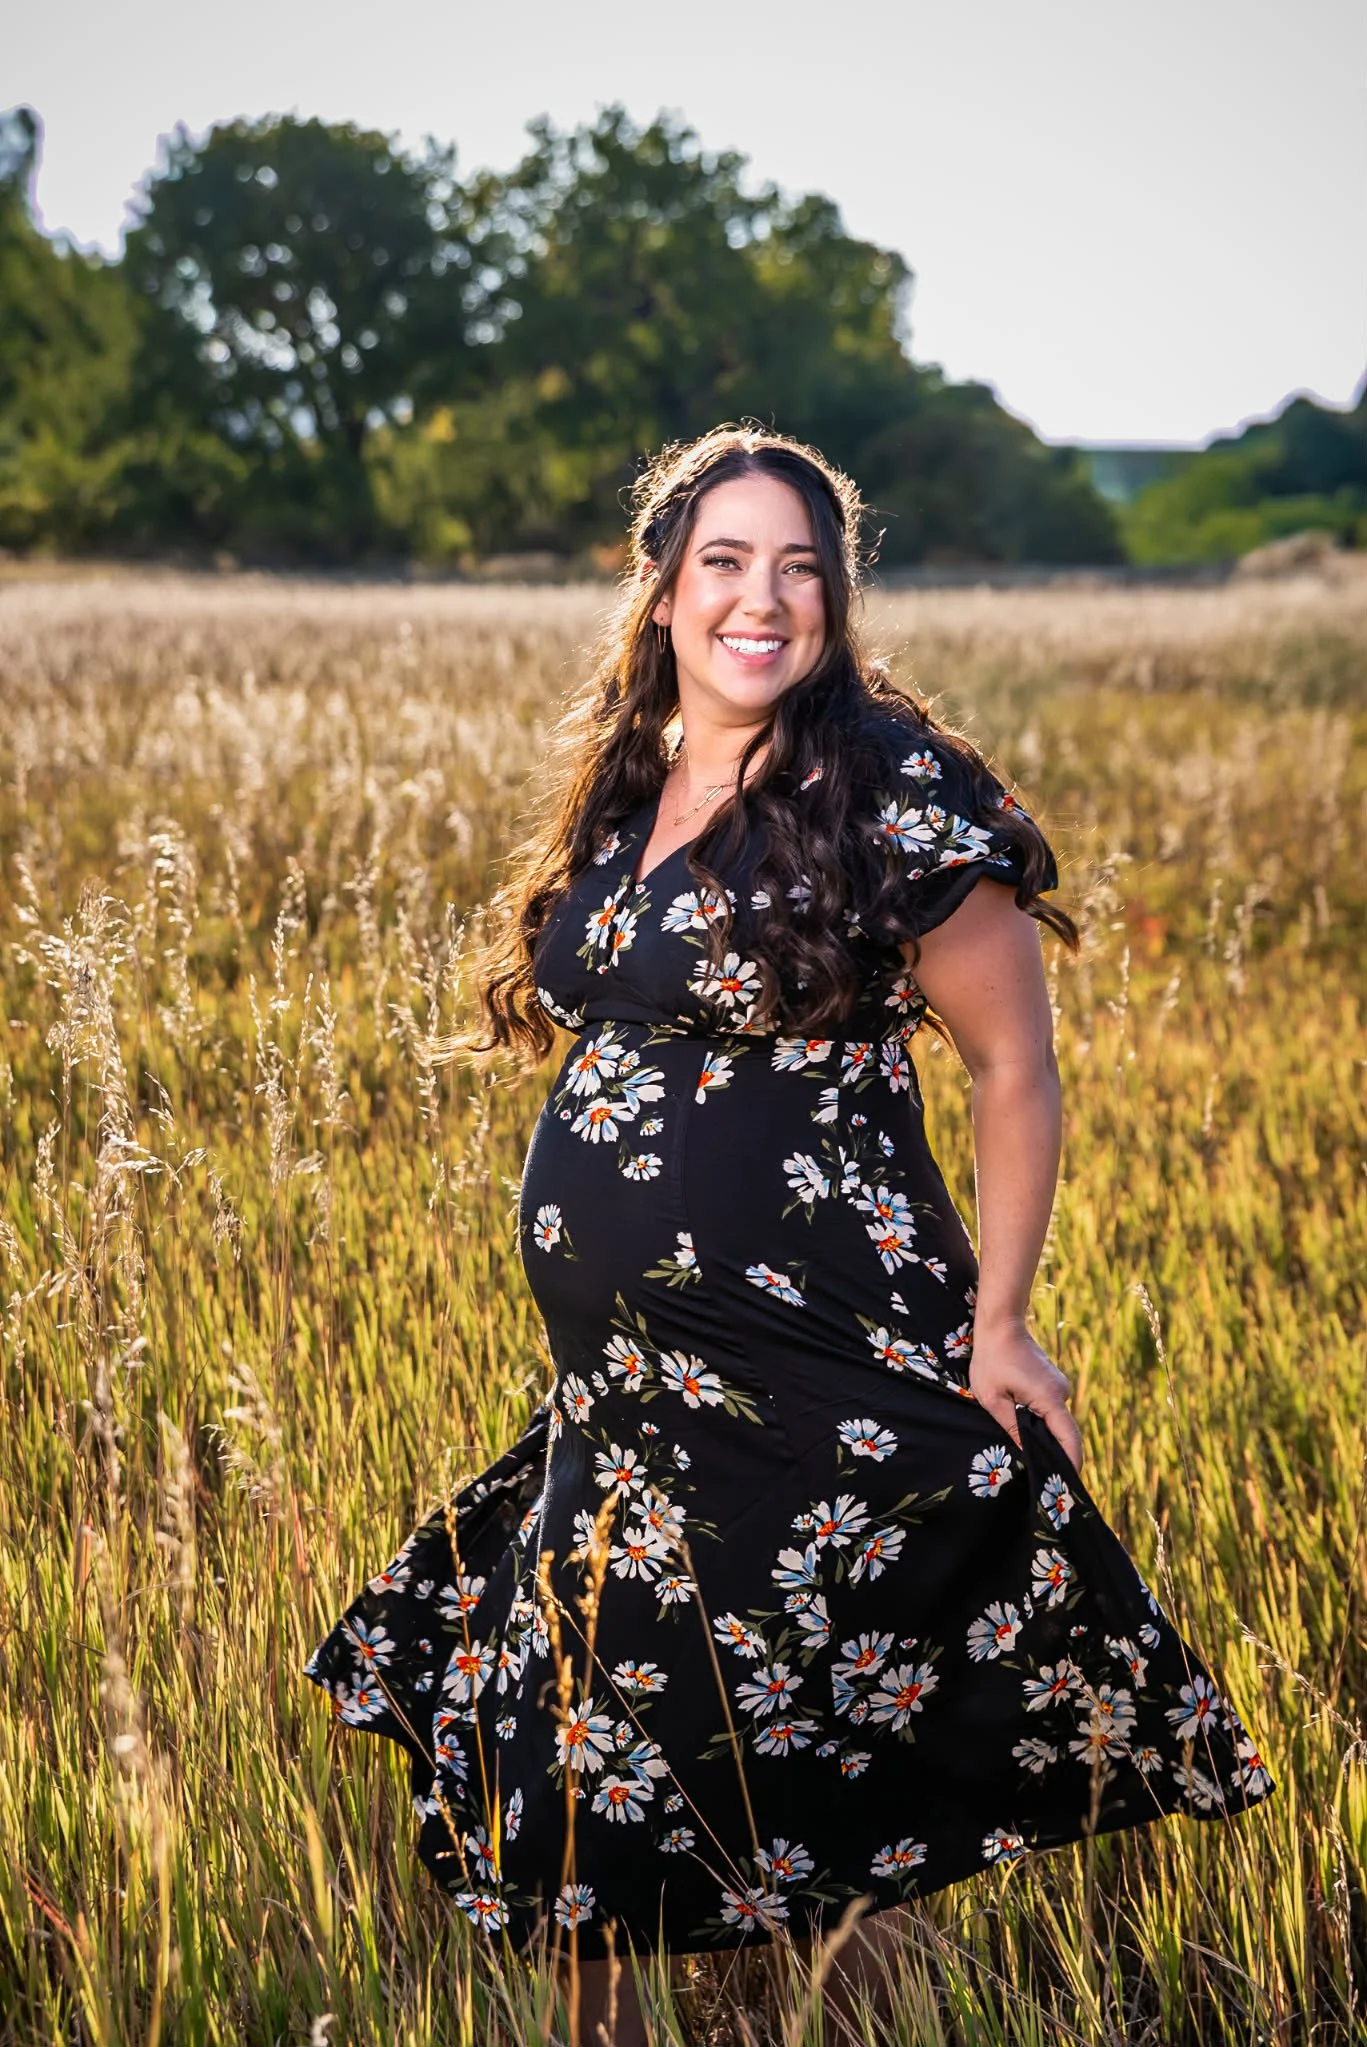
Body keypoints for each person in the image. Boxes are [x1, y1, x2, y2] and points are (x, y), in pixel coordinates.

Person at [305, 425, 1273, 2045]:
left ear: (837, 595)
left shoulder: (886, 784)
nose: (764, 600)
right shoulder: (635, 771)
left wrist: (1006, 1320)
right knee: (585, 1782)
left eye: (801, 568)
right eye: (727, 564)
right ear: (665, 588)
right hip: (623, 1402)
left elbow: (1013, 1065)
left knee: (826, 1764)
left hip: (816, 1365)